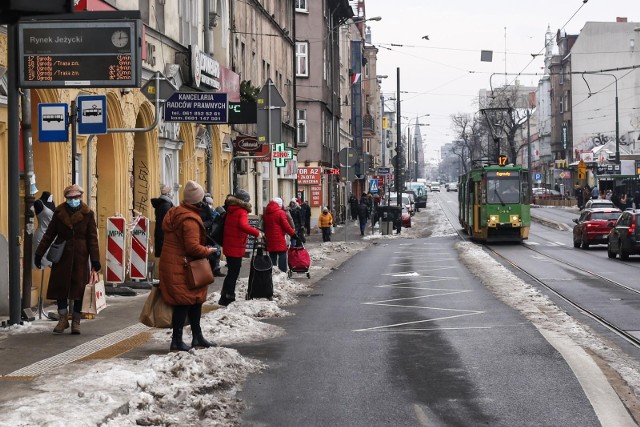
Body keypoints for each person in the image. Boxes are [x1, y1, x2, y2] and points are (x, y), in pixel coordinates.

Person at [159, 180, 218, 352]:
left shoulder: (177, 212)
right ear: (197, 201)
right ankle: (177, 340)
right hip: (183, 267)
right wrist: (208, 250)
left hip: (177, 264)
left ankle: (197, 337)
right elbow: (192, 248)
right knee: (184, 303)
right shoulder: (189, 220)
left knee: (195, 301)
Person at [34, 184, 101, 335]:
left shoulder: (88, 214)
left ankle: (76, 321)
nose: (73, 200)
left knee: (79, 290)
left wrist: (95, 260)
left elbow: (92, 239)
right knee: (60, 288)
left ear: (80, 197)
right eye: (70, 198)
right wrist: (39, 254)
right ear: (66, 198)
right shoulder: (59, 213)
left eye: (76, 197)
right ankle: (63, 319)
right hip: (62, 255)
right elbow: (49, 235)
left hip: (80, 257)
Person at [219, 189, 262, 306]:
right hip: (236, 246)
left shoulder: (231, 209)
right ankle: (228, 296)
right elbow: (243, 225)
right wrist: (256, 233)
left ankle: (225, 295)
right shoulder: (241, 211)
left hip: (229, 244)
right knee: (234, 272)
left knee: (231, 272)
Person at [264, 197, 297, 272]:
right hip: (279, 238)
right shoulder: (280, 213)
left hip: (269, 238)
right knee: (282, 254)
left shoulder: (266, 212)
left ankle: (272, 272)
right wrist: (293, 234)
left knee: (272, 255)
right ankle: (282, 273)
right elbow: (286, 226)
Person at [201, 193, 225, 277]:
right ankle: (211, 270)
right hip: (208, 234)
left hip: (212, 233)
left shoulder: (212, 210)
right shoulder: (204, 209)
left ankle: (214, 269)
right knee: (210, 252)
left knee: (215, 251)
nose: (210, 205)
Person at [32, 191, 56, 270]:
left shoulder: (52, 203)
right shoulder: (38, 203)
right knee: (42, 262)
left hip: (53, 237)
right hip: (41, 236)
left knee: (54, 263)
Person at [151, 185, 174, 257]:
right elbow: (167, 222)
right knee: (165, 255)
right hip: (164, 235)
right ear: (167, 194)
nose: (172, 195)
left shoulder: (162, 203)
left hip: (160, 233)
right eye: (170, 192)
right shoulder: (166, 205)